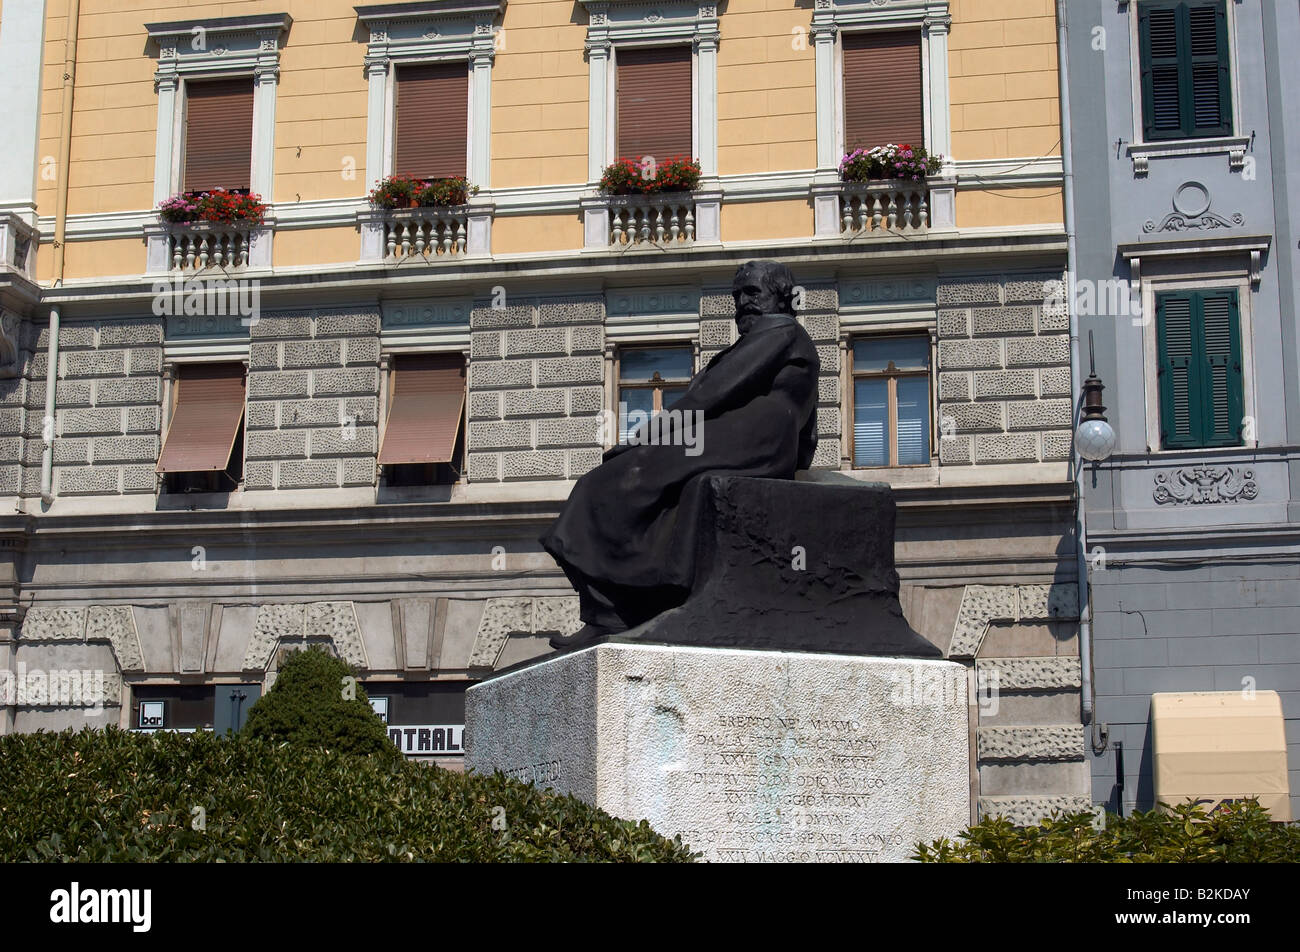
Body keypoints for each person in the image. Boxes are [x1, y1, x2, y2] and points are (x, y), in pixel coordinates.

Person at [540, 260, 821, 649]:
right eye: (737, 295)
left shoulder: (781, 330)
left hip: (751, 437)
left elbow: (713, 393)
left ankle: (616, 608)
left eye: (752, 293)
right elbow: (808, 431)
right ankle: (613, 610)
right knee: (618, 481)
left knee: (618, 478)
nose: (742, 303)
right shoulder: (777, 338)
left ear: (782, 297)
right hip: (744, 438)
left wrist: (649, 434)